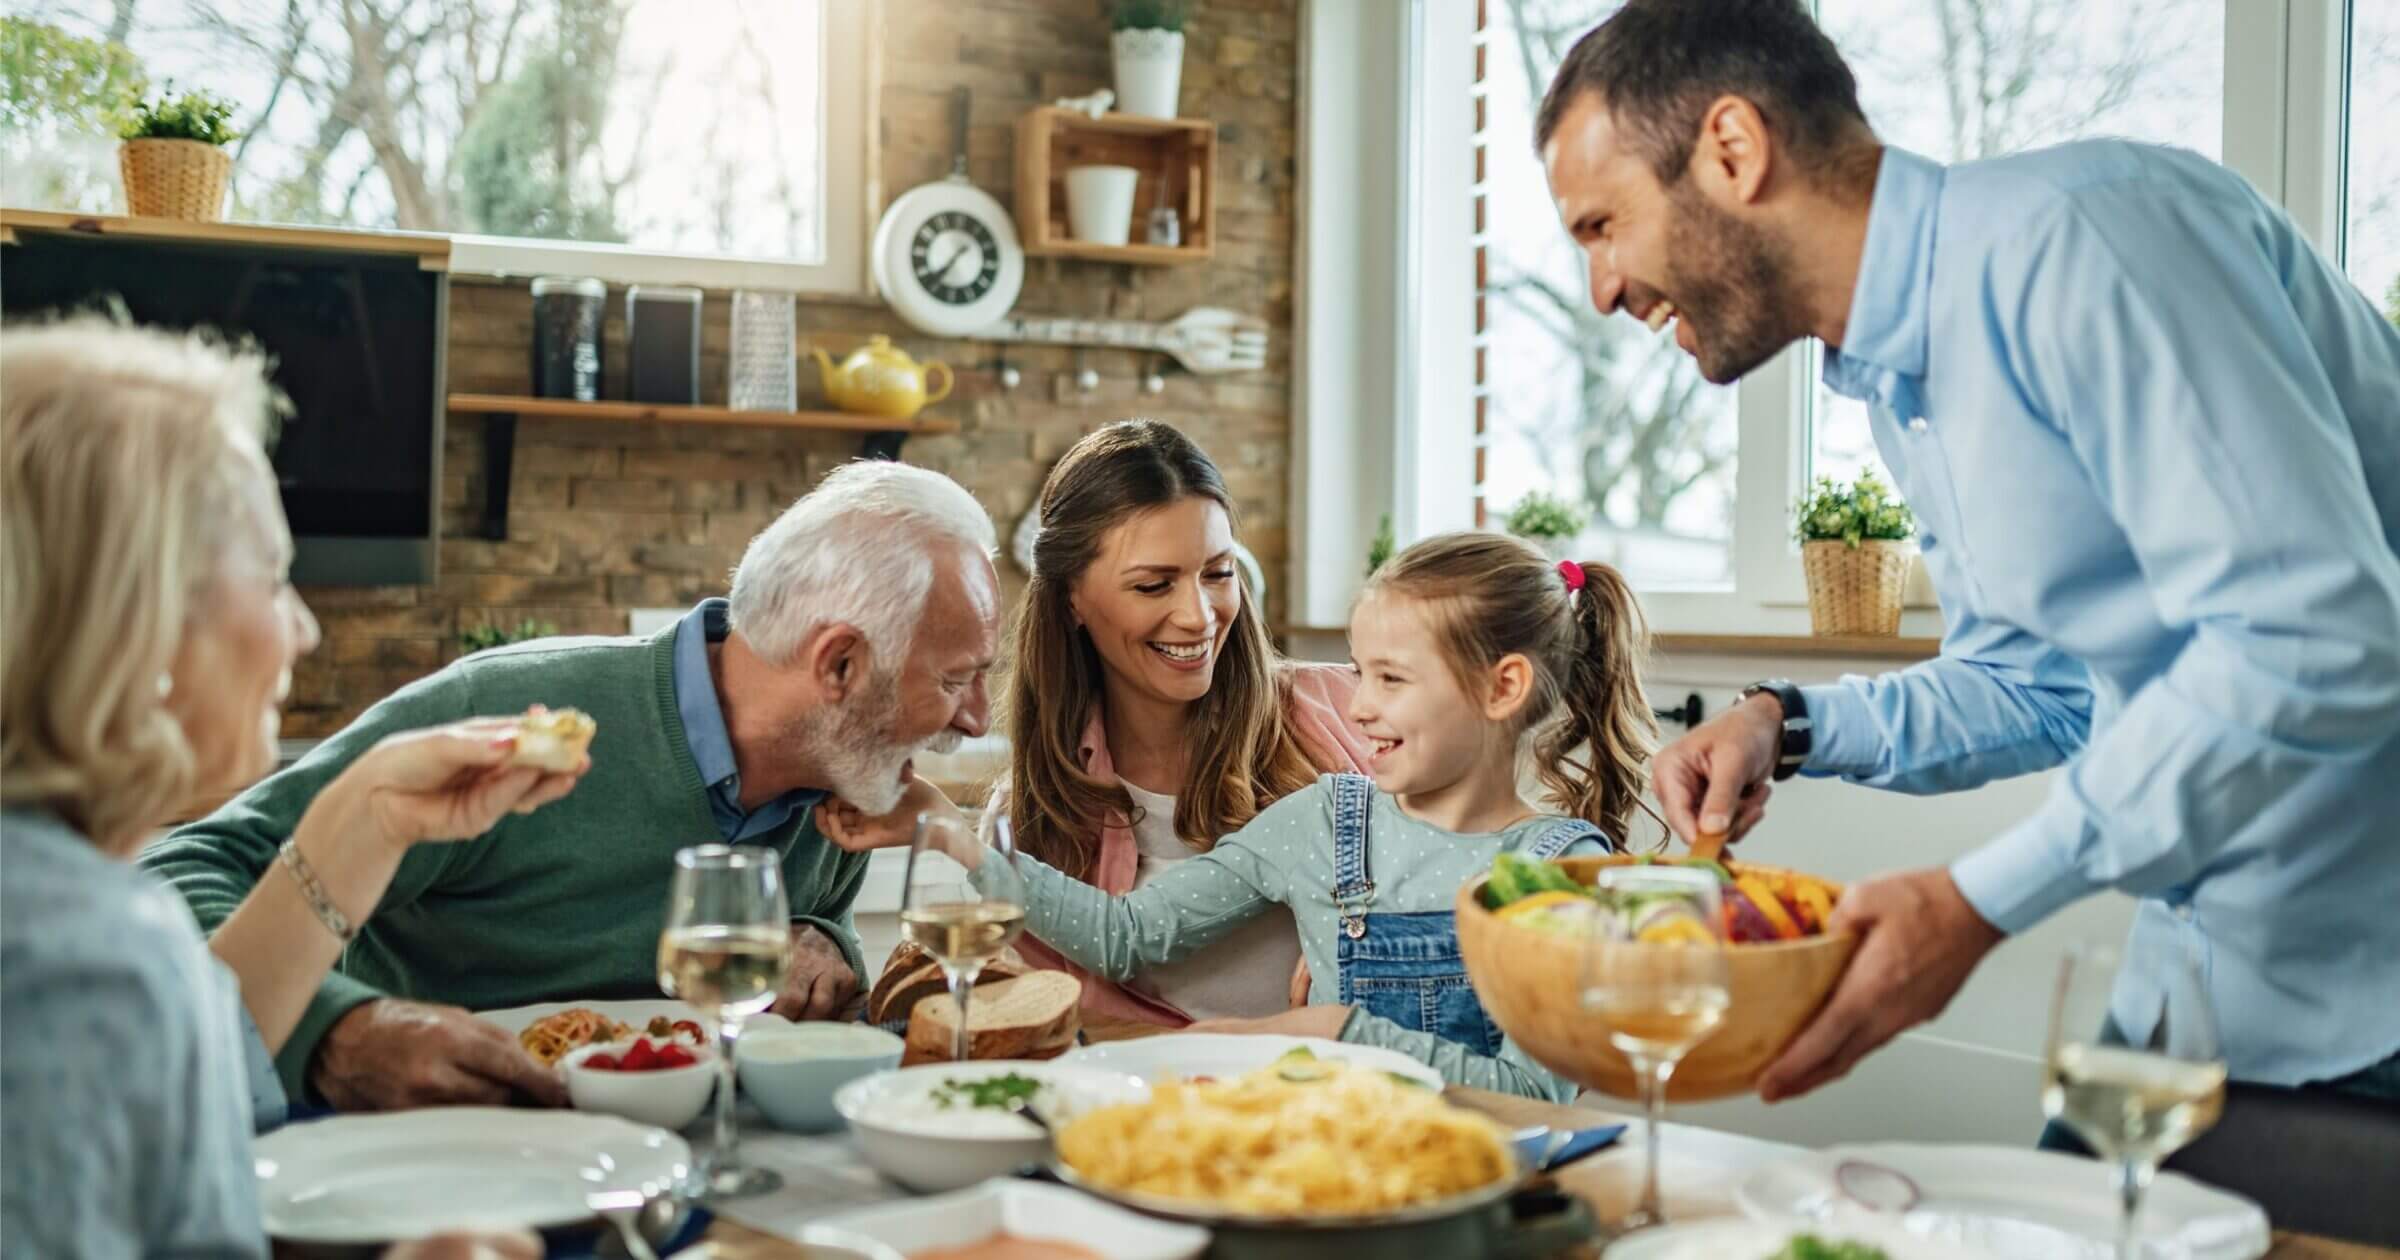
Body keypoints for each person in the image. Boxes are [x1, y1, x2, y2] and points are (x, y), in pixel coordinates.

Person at [1537, 0, 2400, 1118]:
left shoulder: (2089, 239)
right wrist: (1782, 723)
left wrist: (1977, 902)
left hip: (2371, 995)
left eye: (1603, 226)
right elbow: (2041, 687)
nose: (1602, 290)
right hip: (2208, 985)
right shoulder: (1906, 382)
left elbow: (2317, 636)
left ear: (1733, 151)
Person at [141, 458, 1001, 1111]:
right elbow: (179, 875)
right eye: (959, 678)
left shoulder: (847, 781)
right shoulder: (508, 711)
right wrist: (335, 1030)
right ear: (840, 663)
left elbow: (812, 956)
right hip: (411, 1161)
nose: (976, 720)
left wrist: (825, 945)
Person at [1, 317, 571, 1259]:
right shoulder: (76, 962)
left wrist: (371, 811)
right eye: (272, 578)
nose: (300, 630)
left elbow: (180, 1093)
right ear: (137, 618)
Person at [830, 532, 1659, 1100]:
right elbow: (1128, 935)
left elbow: (1535, 1093)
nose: (1360, 707)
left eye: (1392, 681)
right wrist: (952, 837)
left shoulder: (1555, 870)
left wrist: (1339, 1030)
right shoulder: (1324, 822)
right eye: (1360, 673)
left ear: (1502, 687)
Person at [991, 419, 1372, 1025]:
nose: (1198, 616)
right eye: (1152, 585)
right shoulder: (1030, 819)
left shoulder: (1351, 713)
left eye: (1218, 574)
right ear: (1071, 600)